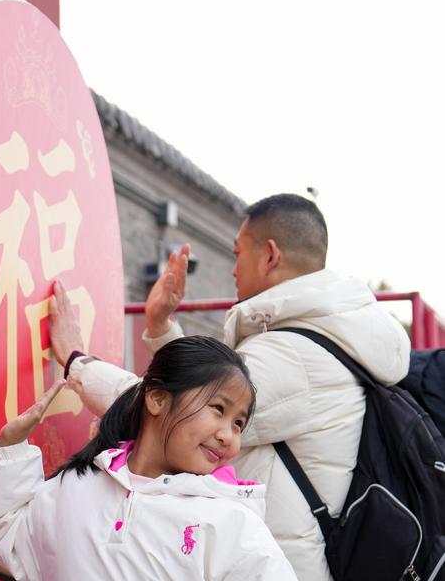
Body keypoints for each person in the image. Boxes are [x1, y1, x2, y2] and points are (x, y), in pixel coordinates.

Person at [48, 193, 412, 580]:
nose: (233, 268)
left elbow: (179, 404)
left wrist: (75, 361)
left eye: (237, 252)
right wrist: (161, 328)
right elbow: (196, 397)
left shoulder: (295, 353)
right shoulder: (325, 333)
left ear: (269, 255)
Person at [0, 336, 297, 580]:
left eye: (238, 423)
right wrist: (12, 445)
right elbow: (12, 538)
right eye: (218, 409)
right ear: (157, 398)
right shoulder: (76, 486)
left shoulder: (231, 522)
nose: (228, 435)